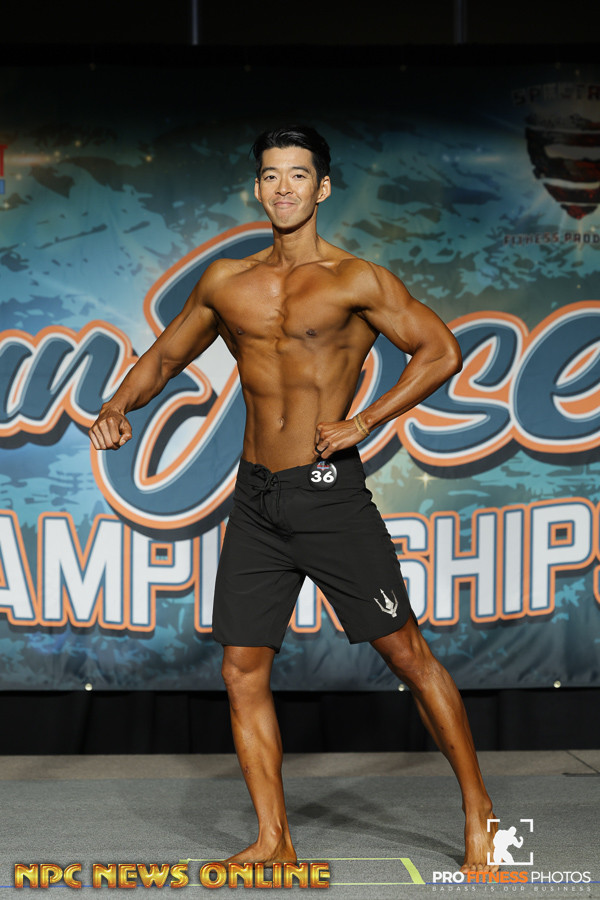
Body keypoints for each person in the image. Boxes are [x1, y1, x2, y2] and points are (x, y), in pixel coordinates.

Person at [89, 125, 496, 872]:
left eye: (298, 175)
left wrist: (365, 421)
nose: (284, 188)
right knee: (240, 669)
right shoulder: (226, 282)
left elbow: (441, 350)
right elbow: (166, 356)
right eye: (272, 175)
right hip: (256, 499)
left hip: (327, 495)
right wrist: (118, 406)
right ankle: (274, 839)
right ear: (257, 188)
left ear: (322, 188)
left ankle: (480, 810)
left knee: (406, 654)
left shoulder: (356, 280)